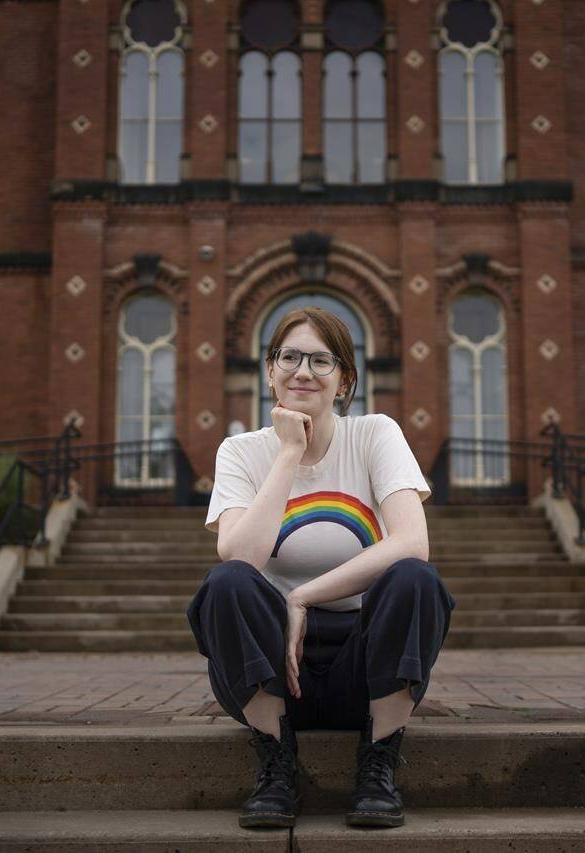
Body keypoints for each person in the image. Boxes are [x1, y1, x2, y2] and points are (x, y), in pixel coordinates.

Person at [186, 306, 456, 830]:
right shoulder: (241, 452)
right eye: (289, 356)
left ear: (345, 380)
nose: (303, 370)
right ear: (270, 371)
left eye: (321, 360)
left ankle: (378, 763)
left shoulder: (375, 434)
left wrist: (300, 596)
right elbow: (239, 555)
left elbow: (412, 542)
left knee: (416, 579)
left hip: (365, 662)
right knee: (227, 582)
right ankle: (276, 762)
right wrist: (290, 452)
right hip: (271, 668)